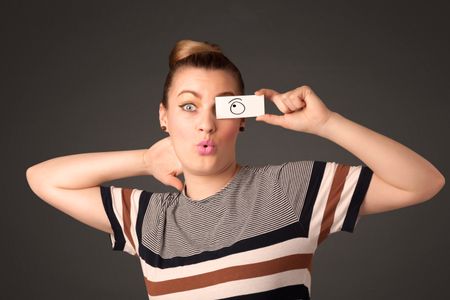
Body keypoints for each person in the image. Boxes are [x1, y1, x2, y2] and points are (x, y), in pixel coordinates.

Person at [26, 39, 445, 299]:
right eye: (188, 107)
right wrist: (143, 159)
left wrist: (326, 123)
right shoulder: (148, 221)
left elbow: (423, 182)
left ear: (242, 118)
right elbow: (42, 179)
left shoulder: (289, 192)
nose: (206, 123)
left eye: (221, 107)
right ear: (164, 117)